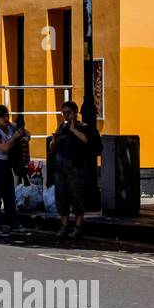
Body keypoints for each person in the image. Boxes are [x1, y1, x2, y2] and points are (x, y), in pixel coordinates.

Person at [0, 104, 28, 236]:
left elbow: (25, 131)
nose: (6, 118)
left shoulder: (10, 127)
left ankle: (13, 224)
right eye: (3, 117)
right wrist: (14, 138)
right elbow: (4, 148)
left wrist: (25, 135)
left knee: (9, 195)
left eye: (7, 115)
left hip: (5, 164)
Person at [51, 101, 93, 238]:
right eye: (63, 113)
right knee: (61, 196)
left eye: (68, 112)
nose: (65, 115)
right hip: (61, 167)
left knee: (76, 196)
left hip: (76, 168)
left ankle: (78, 226)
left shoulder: (83, 127)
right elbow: (52, 148)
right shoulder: (61, 127)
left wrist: (74, 130)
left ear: (75, 113)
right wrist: (54, 141)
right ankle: (64, 225)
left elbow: (87, 141)